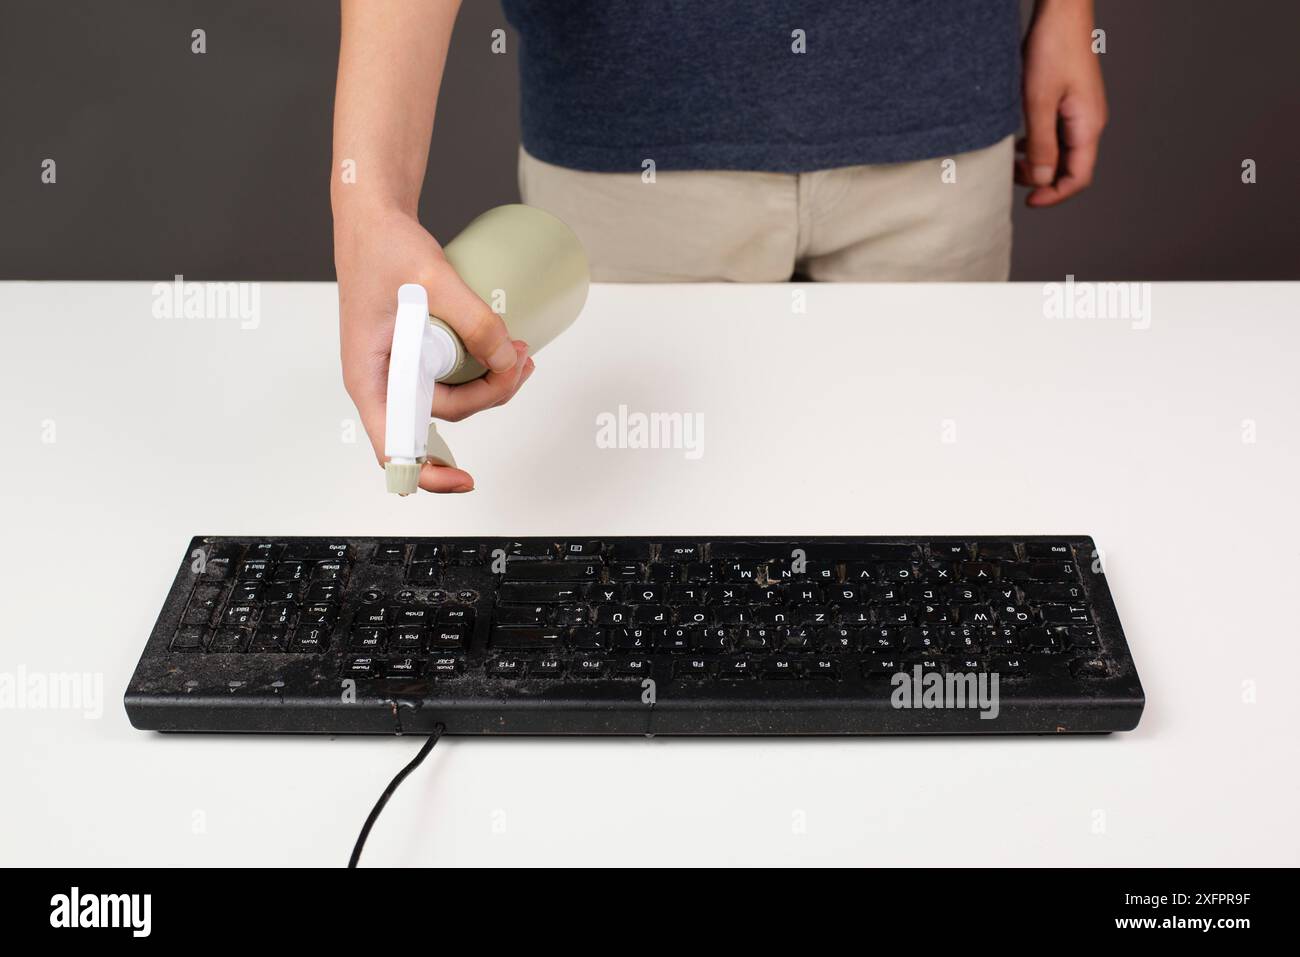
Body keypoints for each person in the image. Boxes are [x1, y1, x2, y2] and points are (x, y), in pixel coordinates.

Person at [332, 0, 1107, 492]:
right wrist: (370, 205)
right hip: (623, 150)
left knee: (931, 510)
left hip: (939, 124)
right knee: (633, 558)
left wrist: (1067, 7)